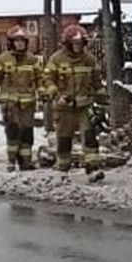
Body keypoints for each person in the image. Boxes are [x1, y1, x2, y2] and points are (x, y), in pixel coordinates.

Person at [43, 24, 105, 182]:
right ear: (67, 44)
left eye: (80, 43)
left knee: (90, 137)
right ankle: (63, 169)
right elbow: (48, 79)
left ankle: (93, 169)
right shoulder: (56, 59)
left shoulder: (89, 59)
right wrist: (56, 95)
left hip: (85, 106)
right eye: (74, 44)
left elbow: (97, 82)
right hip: (64, 107)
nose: (78, 47)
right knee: (64, 139)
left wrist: (102, 103)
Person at [0, 25, 43, 172]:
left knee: (27, 133)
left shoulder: (32, 59)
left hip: (28, 104)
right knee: (13, 132)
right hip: (10, 104)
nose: (19, 44)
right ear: (11, 43)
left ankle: (26, 162)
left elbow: (40, 79)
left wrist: (44, 94)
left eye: (22, 41)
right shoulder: (3, 59)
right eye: (16, 41)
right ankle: (11, 161)